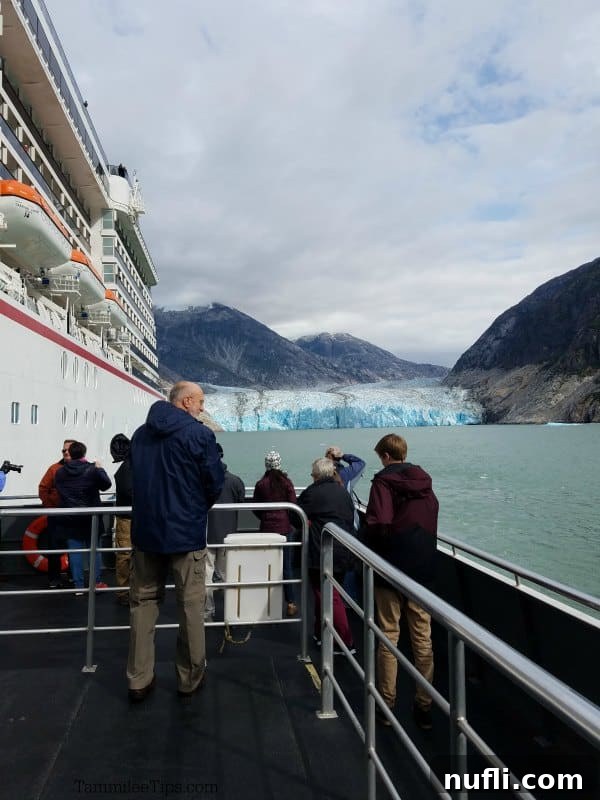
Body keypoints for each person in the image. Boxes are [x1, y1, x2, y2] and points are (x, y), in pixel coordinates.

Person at [127, 381, 224, 702]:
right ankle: (189, 678)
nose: (202, 407)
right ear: (185, 402)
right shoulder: (199, 435)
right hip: (185, 533)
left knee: (143, 603)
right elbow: (214, 482)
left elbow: (133, 479)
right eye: (200, 401)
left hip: (146, 532)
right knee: (191, 606)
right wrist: (196, 508)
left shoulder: (141, 434)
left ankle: (139, 678)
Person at [365, 433, 438, 730]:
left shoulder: (383, 482)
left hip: (392, 570)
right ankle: (424, 705)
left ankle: (386, 705)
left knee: (389, 635)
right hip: (423, 571)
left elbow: (379, 523)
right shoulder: (425, 484)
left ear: (385, 455)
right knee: (422, 638)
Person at [297, 457, 356, 653]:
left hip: (321, 552)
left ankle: (345, 642)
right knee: (325, 593)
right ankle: (320, 632)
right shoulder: (343, 492)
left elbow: (295, 515)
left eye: (312, 475)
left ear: (316, 476)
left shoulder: (312, 493)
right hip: (345, 550)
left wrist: (309, 523)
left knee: (328, 595)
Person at [54, 441, 112, 594]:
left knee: (75, 552)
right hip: (91, 517)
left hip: (71, 517)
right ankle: (96, 582)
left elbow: (60, 490)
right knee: (95, 551)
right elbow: (106, 485)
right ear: (84, 454)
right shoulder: (92, 470)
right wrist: (100, 469)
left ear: (70, 454)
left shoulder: (60, 472)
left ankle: (78, 586)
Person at [252, 451, 298, 617]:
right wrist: (287, 519)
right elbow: (293, 505)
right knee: (287, 566)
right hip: (285, 529)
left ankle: (266, 602)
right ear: (279, 464)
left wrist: (265, 517)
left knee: (267, 565)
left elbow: (255, 507)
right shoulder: (286, 483)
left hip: (266, 529)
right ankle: (291, 602)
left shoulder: (261, 484)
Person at [205, 443, 245, 621]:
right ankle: (232, 613)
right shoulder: (235, 481)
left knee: (206, 575)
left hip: (207, 535)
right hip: (229, 536)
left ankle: (207, 612)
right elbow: (241, 501)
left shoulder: (201, 480)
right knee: (228, 574)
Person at [39, 439, 74, 588]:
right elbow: (42, 488)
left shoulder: (82, 468)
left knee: (74, 547)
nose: (65, 452)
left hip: (74, 517)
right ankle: (54, 578)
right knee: (54, 547)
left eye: (69, 450)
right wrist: (50, 507)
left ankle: (74, 576)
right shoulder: (54, 469)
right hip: (57, 516)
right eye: (63, 450)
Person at [110, 433, 132, 606]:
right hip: (133, 517)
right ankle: (126, 590)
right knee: (130, 554)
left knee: (125, 554)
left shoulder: (125, 468)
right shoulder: (133, 467)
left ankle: (124, 591)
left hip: (126, 518)